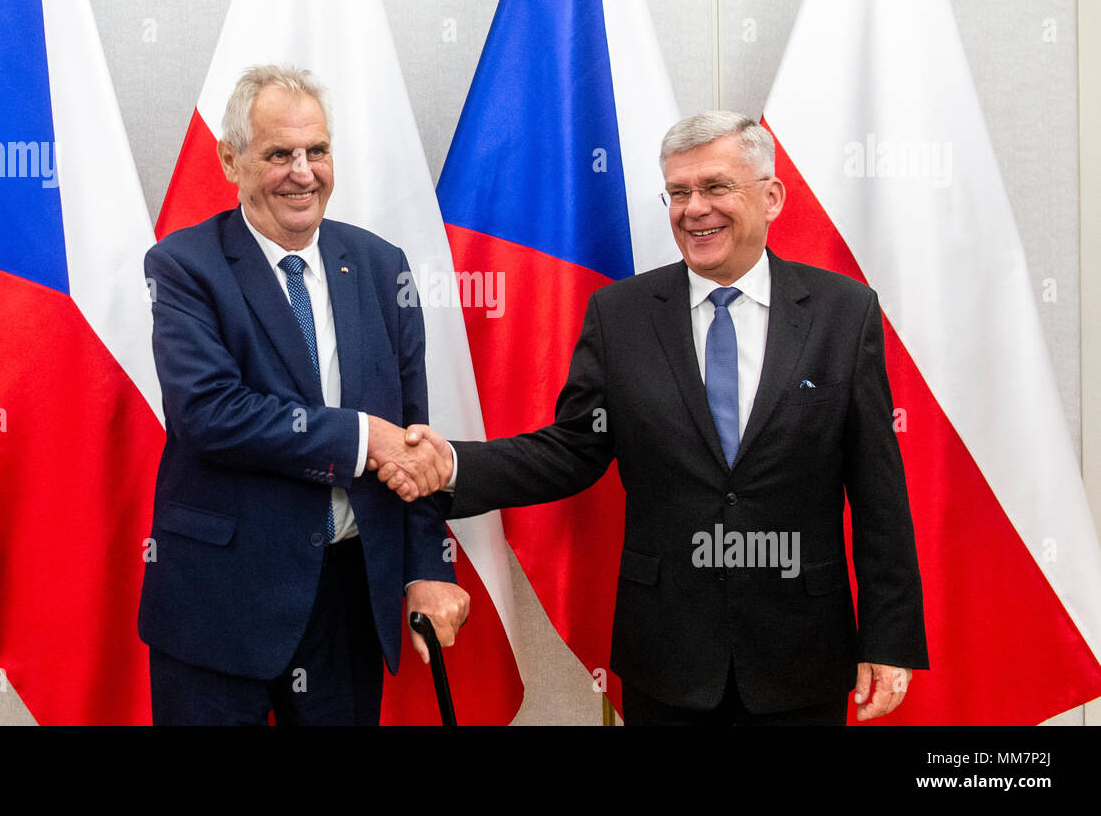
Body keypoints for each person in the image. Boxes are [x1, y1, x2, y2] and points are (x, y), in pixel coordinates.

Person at [381, 111, 928, 725]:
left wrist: (888, 638)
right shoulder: (622, 315)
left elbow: (879, 488)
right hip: (667, 656)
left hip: (801, 652)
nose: (694, 209)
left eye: (716, 187)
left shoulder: (843, 313)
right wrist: (449, 463)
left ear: (771, 197)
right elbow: (572, 450)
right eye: (678, 192)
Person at [139, 64, 467, 725]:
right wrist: (357, 437)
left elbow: (411, 434)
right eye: (279, 153)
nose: (303, 170)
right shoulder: (183, 265)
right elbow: (209, 413)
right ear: (231, 159)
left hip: (347, 600)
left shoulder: (381, 265)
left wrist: (429, 565)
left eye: (316, 150)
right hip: (219, 604)